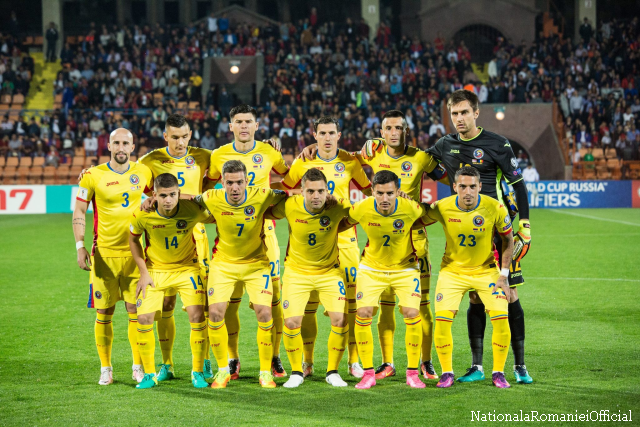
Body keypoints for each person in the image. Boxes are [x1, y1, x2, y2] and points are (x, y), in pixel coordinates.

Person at [300, 110, 447, 381]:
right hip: (380, 240)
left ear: (406, 130)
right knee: (385, 306)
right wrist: (314, 148)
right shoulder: (371, 152)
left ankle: (425, 362)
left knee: (421, 307)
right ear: (380, 131)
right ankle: (387, 362)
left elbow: (449, 178)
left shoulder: (421, 157)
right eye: (388, 128)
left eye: (398, 128)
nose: (393, 133)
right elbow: (340, 158)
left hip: (414, 239)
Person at [425, 89, 532, 384]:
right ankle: (477, 366)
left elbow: (519, 184)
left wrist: (524, 222)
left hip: (497, 231)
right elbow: (423, 164)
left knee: (509, 294)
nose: (459, 118)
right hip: (463, 230)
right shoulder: (445, 144)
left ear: (475, 113)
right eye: (454, 114)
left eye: (464, 113)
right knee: (474, 297)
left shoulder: (498, 144)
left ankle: (519, 366)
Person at [280, 116, 372, 379]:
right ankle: (307, 362)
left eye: (332, 133)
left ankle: (353, 361)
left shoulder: (350, 161)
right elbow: (286, 191)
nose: (328, 138)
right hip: (312, 241)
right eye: (323, 133)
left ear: (339, 135)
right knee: (307, 305)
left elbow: (369, 192)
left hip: (346, 241)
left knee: (352, 304)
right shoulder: (304, 161)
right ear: (314, 135)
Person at [204, 105, 289, 380]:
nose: (243, 126)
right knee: (229, 304)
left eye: (248, 121)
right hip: (231, 236)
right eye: (238, 121)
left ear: (256, 125)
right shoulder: (219, 155)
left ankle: (274, 357)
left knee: (273, 299)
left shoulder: (269, 152)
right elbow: (207, 185)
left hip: (265, 232)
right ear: (231, 126)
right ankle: (232, 358)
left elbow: (287, 178)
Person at [72, 128, 153, 385]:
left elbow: (158, 198)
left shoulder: (144, 172)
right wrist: (79, 246)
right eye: (116, 143)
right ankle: (105, 367)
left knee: (136, 312)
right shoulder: (92, 176)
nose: (120, 147)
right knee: (103, 312)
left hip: (134, 254)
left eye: (125, 143)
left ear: (132, 147)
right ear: (108, 146)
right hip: (103, 255)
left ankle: (137, 366)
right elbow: (79, 210)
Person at [137, 114, 214, 382]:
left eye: (184, 137)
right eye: (175, 137)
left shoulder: (204, 156)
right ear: (165, 136)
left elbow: (231, 171)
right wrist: (147, 200)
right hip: (163, 236)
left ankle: (203, 362)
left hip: (196, 236)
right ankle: (167, 365)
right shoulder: (150, 160)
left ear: (190, 135)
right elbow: (136, 186)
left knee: (200, 306)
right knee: (166, 303)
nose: (180, 143)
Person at [423, 166, 514, 388]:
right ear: (454, 187)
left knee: (501, 319)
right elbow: (417, 218)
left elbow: (508, 240)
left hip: (486, 271)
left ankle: (498, 372)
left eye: (473, 186)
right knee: (443, 323)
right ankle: (447, 373)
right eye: (462, 186)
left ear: (480, 187)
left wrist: (503, 275)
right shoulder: (442, 207)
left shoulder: (494, 207)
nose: (468, 191)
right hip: (452, 273)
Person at [341, 170, 430, 389]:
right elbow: (342, 222)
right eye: (379, 193)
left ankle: (412, 373)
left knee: (412, 313)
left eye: (390, 193)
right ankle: (368, 373)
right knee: (363, 313)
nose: (384, 199)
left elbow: (432, 216)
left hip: (405, 268)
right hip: (371, 269)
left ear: (398, 192)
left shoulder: (410, 208)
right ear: (372, 192)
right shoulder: (362, 208)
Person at [267, 169, 352, 388]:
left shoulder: (339, 206)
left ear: (328, 191)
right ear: (302, 191)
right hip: (297, 273)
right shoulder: (289, 205)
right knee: (292, 321)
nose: (316, 196)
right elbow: (264, 211)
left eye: (321, 191)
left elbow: (361, 214)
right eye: (311, 191)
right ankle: (296, 372)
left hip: (329, 272)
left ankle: (332, 371)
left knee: (340, 320)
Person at [129, 173, 213, 389]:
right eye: (162, 195)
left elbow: (218, 212)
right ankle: (150, 374)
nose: (168, 200)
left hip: (188, 269)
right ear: (154, 195)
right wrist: (143, 272)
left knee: (197, 315)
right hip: (156, 270)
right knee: (144, 318)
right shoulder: (142, 214)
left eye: (173, 195)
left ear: (179, 193)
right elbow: (133, 239)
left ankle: (197, 372)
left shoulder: (192, 209)